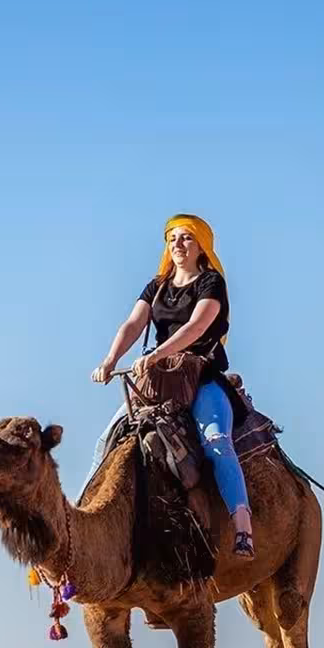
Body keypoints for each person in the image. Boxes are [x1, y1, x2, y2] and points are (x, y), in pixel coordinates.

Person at [89, 213, 255, 558]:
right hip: (157, 380)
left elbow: (195, 328)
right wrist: (110, 360)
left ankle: (243, 528)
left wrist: (157, 354)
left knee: (216, 442)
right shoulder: (157, 286)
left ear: (201, 246)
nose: (178, 244)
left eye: (186, 238)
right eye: (173, 239)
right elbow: (133, 324)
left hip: (200, 376)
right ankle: (86, 516)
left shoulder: (210, 283)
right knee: (108, 439)